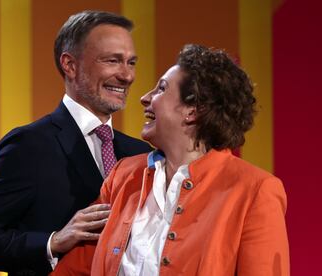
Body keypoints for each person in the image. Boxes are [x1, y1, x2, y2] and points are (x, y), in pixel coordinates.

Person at [52, 44, 290, 275]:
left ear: (193, 110)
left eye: (162, 89)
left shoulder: (255, 190)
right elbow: (75, 269)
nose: (145, 98)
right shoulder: (123, 175)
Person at [0, 10, 152, 276]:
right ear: (70, 65)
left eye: (131, 62)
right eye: (113, 61)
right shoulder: (29, 145)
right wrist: (53, 241)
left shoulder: (141, 153)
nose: (127, 76)